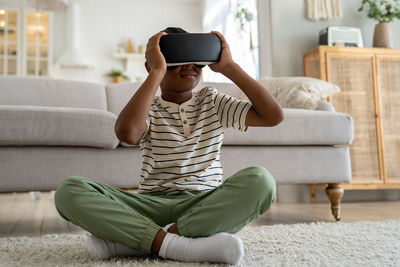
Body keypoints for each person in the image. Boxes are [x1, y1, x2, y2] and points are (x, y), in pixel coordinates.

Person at [54, 27, 283, 265]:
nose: (189, 64)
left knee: (262, 180)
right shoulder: (147, 108)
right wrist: (157, 71)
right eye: (176, 58)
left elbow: (273, 116)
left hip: (204, 203)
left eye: (195, 59)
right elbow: (127, 134)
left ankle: (139, 242)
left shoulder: (213, 101)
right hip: (149, 204)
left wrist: (229, 67)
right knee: (69, 191)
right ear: (154, 64)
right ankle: (182, 244)